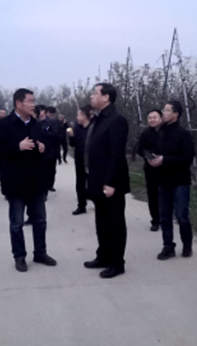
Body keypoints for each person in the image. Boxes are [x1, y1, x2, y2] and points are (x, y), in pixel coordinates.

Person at [0, 89, 57, 272]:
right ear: (18, 103)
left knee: (40, 220)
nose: (33, 104)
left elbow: (42, 147)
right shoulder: (4, 124)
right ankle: (19, 256)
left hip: (36, 181)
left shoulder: (36, 124)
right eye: (30, 101)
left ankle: (40, 252)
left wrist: (42, 148)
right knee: (17, 223)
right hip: (15, 181)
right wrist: (17, 147)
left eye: (34, 101)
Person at [84, 83, 129, 279]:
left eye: (95, 93)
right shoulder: (99, 118)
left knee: (114, 224)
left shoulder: (117, 119)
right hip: (97, 179)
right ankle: (103, 256)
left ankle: (117, 263)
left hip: (111, 183)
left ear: (106, 97)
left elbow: (116, 154)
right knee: (101, 222)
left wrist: (110, 183)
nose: (91, 96)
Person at [148, 101, 195, 260]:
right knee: (165, 216)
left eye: (167, 110)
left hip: (180, 181)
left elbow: (186, 159)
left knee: (182, 215)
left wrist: (164, 160)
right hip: (163, 180)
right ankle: (168, 246)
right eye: (164, 109)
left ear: (176, 114)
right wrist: (152, 158)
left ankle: (187, 244)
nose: (164, 112)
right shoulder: (160, 133)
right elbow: (154, 150)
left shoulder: (184, 135)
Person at [136, 109, 163, 231]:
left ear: (161, 118)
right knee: (152, 195)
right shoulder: (145, 134)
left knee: (165, 195)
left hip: (166, 168)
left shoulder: (167, 132)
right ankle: (155, 220)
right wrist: (148, 157)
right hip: (150, 169)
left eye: (154, 117)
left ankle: (166, 217)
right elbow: (140, 149)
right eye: (150, 118)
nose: (152, 120)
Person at [67, 104, 93, 215]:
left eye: (78, 115)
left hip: (92, 160)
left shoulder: (94, 127)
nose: (77, 117)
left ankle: (97, 201)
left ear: (84, 116)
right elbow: (73, 144)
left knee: (94, 183)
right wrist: (71, 137)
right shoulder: (77, 127)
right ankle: (81, 205)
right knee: (80, 183)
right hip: (79, 159)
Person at [43, 106, 62, 192]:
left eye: (53, 115)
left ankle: (50, 184)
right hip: (45, 148)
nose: (51, 117)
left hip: (54, 148)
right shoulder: (43, 122)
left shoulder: (57, 123)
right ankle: (45, 184)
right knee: (45, 169)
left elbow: (60, 134)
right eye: (50, 115)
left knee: (52, 169)